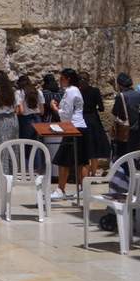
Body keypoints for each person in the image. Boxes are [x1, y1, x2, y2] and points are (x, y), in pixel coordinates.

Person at [49, 69, 87, 200]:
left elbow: (67, 112)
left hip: (73, 127)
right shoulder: (73, 90)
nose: (60, 81)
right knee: (81, 161)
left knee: (63, 160)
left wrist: (55, 109)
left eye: (62, 79)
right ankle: (84, 190)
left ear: (68, 79)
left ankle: (61, 189)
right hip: (79, 126)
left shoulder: (71, 91)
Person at [78, 71, 111, 176]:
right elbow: (101, 108)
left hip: (81, 120)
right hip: (93, 120)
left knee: (85, 149)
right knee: (94, 149)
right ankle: (93, 174)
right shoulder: (95, 91)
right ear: (89, 80)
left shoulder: (77, 92)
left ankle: (85, 174)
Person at [112, 73, 140, 159]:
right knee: (134, 151)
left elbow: (114, 111)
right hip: (136, 126)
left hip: (124, 128)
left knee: (122, 152)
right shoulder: (137, 94)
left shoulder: (120, 96)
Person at [15, 75, 45, 140]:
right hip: (38, 118)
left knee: (25, 142)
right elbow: (42, 111)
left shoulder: (19, 92)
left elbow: (21, 110)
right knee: (37, 142)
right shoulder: (38, 92)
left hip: (26, 119)